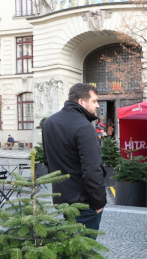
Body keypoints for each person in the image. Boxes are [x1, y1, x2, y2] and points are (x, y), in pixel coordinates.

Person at [42, 83, 107, 239]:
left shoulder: (49, 122)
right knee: (82, 254)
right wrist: (99, 203)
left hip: (62, 200)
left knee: (70, 250)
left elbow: (47, 161)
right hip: (84, 204)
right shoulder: (84, 127)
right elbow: (92, 170)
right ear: (81, 102)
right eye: (94, 101)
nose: (98, 105)